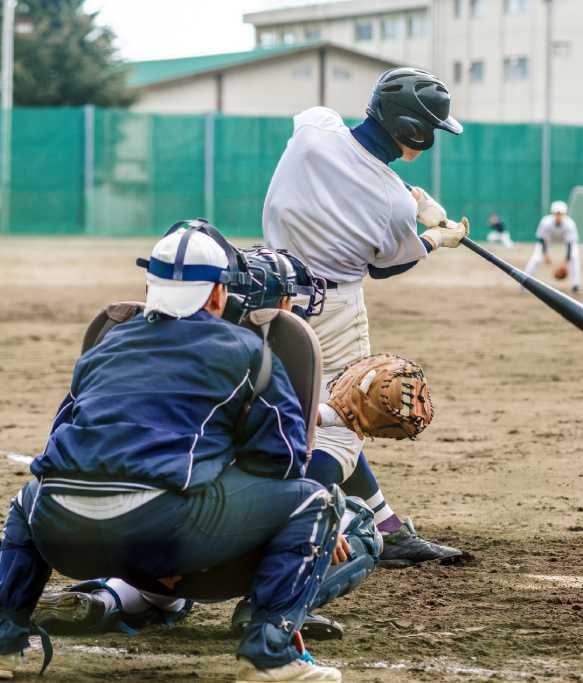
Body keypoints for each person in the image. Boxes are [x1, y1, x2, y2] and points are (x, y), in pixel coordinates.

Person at [1, 225, 374, 682]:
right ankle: (270, 656)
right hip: (163, 533)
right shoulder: (246, 350)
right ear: (218, 294)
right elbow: (282, 461)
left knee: (28, 496)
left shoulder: (106, 344)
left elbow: (61, 443)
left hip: (60, 531)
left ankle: (4, 640)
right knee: (315, 501)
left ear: (149, 287)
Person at [263, 67, 466, 569]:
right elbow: (387, 265)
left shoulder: (315, 126)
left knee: (281, 411)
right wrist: (437, 237)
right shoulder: (391, 201)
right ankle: (288, 520)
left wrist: (408, 195)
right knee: (345, 421)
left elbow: (348, 163)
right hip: (332, 311)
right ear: (414, 132)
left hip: (266, 296)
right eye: (433, 129)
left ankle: (386, 527)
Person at [523, 200, 582, 295]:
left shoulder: (570, 224)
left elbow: (571, 244)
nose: (558, 215)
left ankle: (575, 285)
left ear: (564, 214)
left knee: (574, 257)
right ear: (552, 213)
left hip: (565, 242)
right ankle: (524, 283)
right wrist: (545, 254)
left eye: (560, 213)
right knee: (536, 259)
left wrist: (566, 263)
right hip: (548, 241)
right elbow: (541, 239)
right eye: (556, 213)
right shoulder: (545, 222)